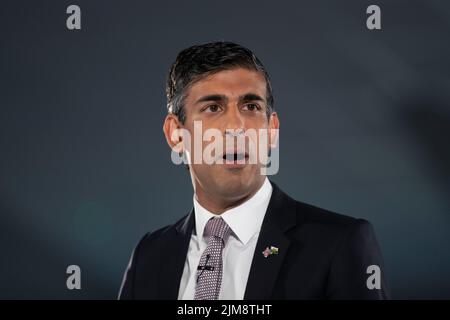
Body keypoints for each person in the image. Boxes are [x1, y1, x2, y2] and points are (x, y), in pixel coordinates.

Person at [119, 41, 390, 300]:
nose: (236, 126)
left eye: (251, 107)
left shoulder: (339, 244)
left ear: (271, 130)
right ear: (176, 134)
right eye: (213, 107)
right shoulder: (149, 256)